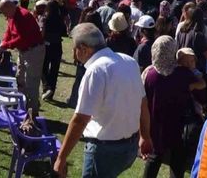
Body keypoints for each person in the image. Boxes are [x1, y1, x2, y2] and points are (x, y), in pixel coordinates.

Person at [53, 23, 153, 178]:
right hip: (129, 147)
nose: (73, 52)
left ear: (84, 48)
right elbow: (143, 103)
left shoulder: (96, 71)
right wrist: (145, 136)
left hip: (104, 152)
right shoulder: (129, 61)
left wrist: (61, 158)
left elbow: (80, 120)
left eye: (75, 48)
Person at [142, 37, 206, 178]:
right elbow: (201, 93)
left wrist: (143, 133)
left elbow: (142, 103)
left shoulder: (149, 74)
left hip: (156, 126)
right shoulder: (183, 73)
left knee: (154, 159)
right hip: (179, 126)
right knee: (178, 163)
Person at [0, 0, 45, 115]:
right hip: (23, 51)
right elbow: (9, 30)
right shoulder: (11, 15)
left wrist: (7, 45)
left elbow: (22, 38)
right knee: (20, 78)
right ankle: (23, 106)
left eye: (4, 12)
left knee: (31, 81)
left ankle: (32, 113)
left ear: (9, 7)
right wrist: (4, 41)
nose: (4, 15)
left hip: (33, 50)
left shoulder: (23, 16)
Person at [66, 8, 103, 108]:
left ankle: (74, 100)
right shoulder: (101, 34)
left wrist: (75, 57)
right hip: (96, 62)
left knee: (79, 81)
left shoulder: (83, 32)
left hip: (83, 62)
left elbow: (76, 46)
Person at [41, 0, 65, 101]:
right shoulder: (60, 19)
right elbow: (64, 32)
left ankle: (46, 87)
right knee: (54, 70)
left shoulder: (45, 19)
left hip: (47, 45)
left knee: (44, 67)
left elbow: (42, 32)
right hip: (57, 45)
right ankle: (51, 91)